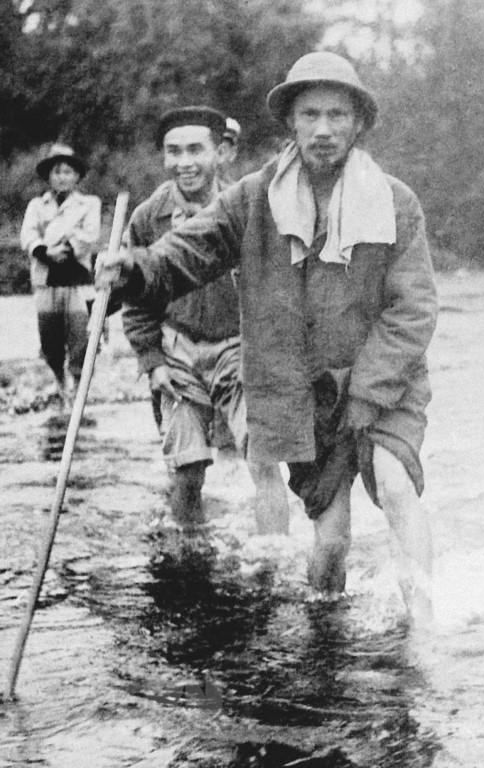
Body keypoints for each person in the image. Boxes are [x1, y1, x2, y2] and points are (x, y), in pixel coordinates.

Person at [97, 53, 438, 624]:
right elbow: (190, 251)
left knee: (396, 484)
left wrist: (368, 391)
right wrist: (134, 269)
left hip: (386, 382)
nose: (323, 129)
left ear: (358, 123)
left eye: (337, 115)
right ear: (290, 123)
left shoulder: (395, 200)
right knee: (331, 545)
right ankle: (325, 635)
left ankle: (425, 632)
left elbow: (414, 308)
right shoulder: (255, 198)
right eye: (310, 115)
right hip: (305, 394)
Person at [123, 105, 289, 535]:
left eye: (196, 150)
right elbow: (136, 299)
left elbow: (277, 289)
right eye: (173, 151)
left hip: (240, 347)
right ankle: (188, 555)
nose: (184, 162)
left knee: (264, 459)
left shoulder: (249, 208)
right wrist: (151, 360)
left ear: (221, 152)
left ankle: (275, 554)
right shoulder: (147, 217)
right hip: (177, 349)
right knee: (187, 469)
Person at [21, 143, 101, 405]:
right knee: (50, 338)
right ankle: (59, 380)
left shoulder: (89, 203)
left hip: (78, 279)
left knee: (80, 336)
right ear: (48, 176)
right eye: (57, 172)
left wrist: (63, 246)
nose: (62, 177)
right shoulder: (37, 205)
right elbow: (28, 236)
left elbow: (90, 235)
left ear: (76, 176)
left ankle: (78, 386)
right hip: (46, 280)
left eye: (67, 172)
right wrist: (46, 251)